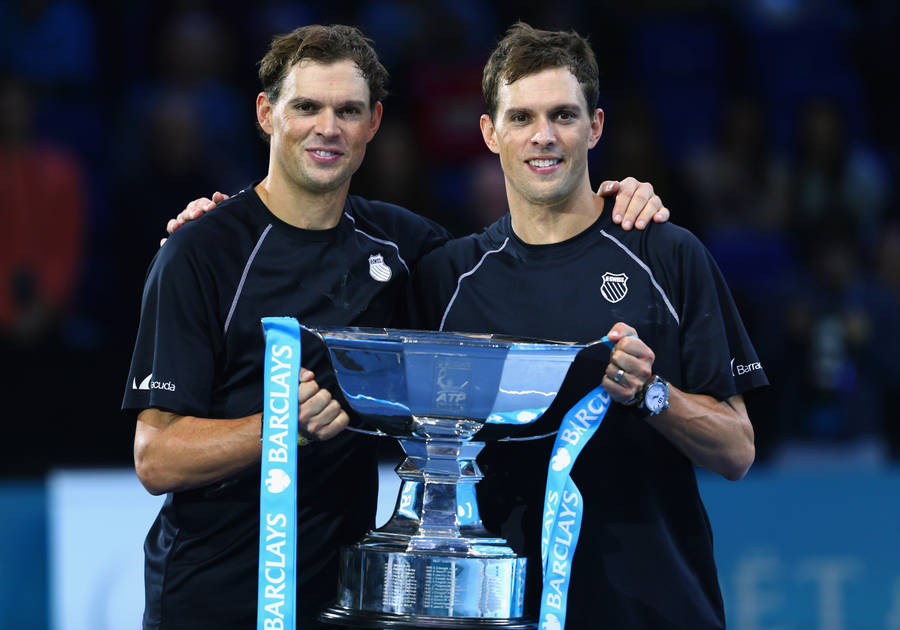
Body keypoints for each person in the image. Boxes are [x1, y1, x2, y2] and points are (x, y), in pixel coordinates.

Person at [125, 24, 668, 630]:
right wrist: (283, 430)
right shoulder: (200, 253)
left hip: (349, 598)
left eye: (348, 110)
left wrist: (614, 200)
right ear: (266, 114)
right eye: (306, 106)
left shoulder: (407, 247)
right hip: (212, 598)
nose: (327, 128)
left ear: (374, 122)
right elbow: (156, 457)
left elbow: (516, 262)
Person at [409, 23, 768, 629]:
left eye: (563, 116)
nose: (543, 137)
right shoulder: (447, 278)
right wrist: (208, 221)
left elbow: (737, 450)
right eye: (520, 117)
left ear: (595, 127)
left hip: (656, 609)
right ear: (489, 133)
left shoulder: (666, 254)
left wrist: (653, 394)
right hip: (501, 611)